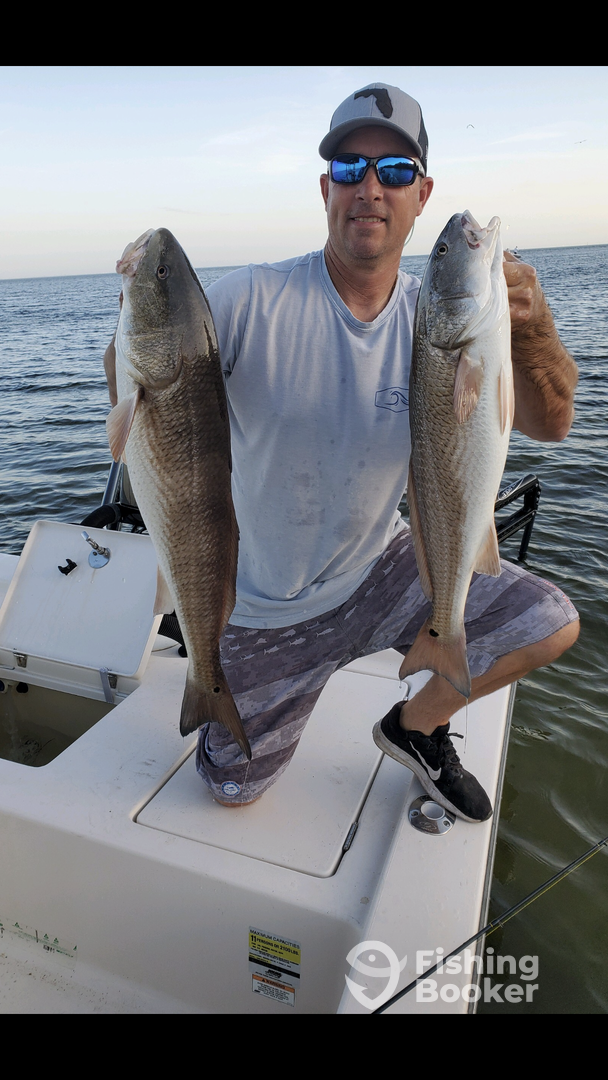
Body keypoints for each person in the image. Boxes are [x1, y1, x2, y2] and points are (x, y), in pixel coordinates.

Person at [106, 83, 580, 822]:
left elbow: (553, 425)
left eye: (394, 171)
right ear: (326, 188)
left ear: (421, 195)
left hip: (382, 565)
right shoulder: (247, 299)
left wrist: (534, 329)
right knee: (231, 791)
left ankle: (415, 726)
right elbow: (150, 398)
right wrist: (136, 320)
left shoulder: (444, 316)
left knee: (548, 621)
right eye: (351, 168)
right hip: (265, 602)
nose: (370, 188)